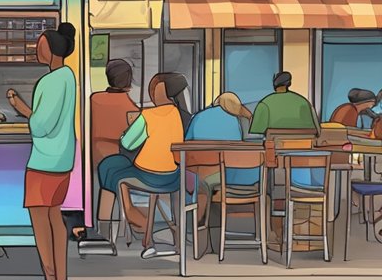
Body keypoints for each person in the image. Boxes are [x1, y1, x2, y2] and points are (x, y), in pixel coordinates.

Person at [5, 22, 78, 280]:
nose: (37, 49)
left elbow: (40, 125)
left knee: (40, 221)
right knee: (55, 219)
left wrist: (18, 105)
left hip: (44, 162)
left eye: (41, 45)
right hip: (63, 159)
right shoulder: (68, 76)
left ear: (52, 50)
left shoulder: (49, 81)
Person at [96, 72, 189, 258]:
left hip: (146, 175)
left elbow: (128, 143)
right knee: (115, 168)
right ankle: (144, 226)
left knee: (111, 169)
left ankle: (122, 222)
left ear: (159, 91)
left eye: (153, 88)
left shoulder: (149, 115)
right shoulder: (184, 116)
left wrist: (126, 132)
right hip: (173, 176)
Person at [184, 93, 256, 225]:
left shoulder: (199, 116)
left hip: (199, 174)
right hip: (223, 175)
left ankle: (198, 222)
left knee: (199, 180)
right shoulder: (233, 120)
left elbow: (186, 144)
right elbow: (235, 153)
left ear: (216, 102)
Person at [89, 59, 139, 242]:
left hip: (92, 157)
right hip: (119, 160)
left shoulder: (94, 99)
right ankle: (119, 229)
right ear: (129, 81)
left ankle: (103, 231)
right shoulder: (131, 109)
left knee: (103, 190)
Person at [249, 71, 318, 136]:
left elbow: (256, 134)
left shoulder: (264, 103)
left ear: (274, 84)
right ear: (289, 83)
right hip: (305, 146)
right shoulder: (304, 102)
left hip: (274, 147)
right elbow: (313, 131)